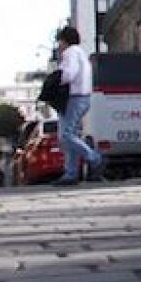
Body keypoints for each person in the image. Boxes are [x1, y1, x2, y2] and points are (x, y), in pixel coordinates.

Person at [52, 26, 103, 186]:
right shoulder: (81, 53)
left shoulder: (70, 53)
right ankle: (71, 173)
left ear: (64, 40)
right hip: (84, 96)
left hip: (73, 97)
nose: (58, 44)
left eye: (60, 40)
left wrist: (56, 80)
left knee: (66, 136)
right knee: (72, 134)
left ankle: (94, 158)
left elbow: (69, 74)